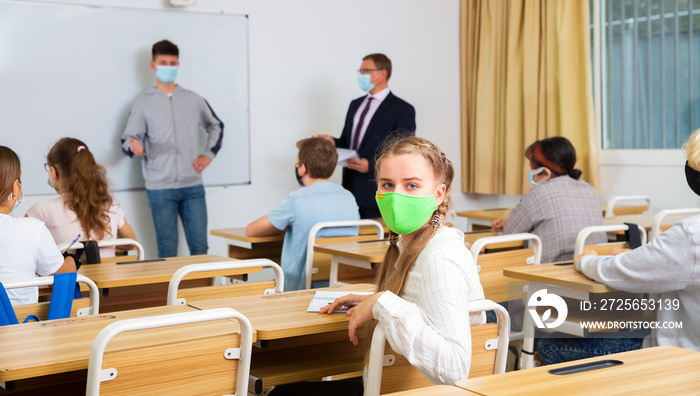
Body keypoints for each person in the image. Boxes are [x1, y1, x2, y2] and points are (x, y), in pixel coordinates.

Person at [275, 137, 483, 395]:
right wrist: (373, 300)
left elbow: (455, 368)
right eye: (387, 184)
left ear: (438, 194)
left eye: (412, 185)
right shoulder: (418, 246)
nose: (396, 196)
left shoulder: (439, 259)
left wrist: (383, 303)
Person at [538, 129, 700, 365]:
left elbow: (621, 272)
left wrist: (586, 260)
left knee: (551, 345)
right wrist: (642, 256)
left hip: (682, 357)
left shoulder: (691, 234)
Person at [121, 39, 223, 258]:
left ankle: (203, 292)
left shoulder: (193, 99)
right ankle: (170, 294)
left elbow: (216, 125)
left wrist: (208, 155)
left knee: (200, 249)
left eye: (172, 63)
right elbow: (127, 140)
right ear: (153, 65)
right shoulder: (143, 103)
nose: (168, 67)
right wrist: (134, 144)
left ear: (178, 64)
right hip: (160, 189)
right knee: (167, 251)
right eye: (163, 62)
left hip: (193, 186)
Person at [245, 138, 360, 291]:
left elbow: (251, 231)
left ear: (302, 168)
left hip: (301, 289)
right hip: (340, 284)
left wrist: (285, 226)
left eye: (297, 163)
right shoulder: (348, 197)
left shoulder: (297, 200)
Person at [318, 53, 416, 219]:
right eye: (360, 71)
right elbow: (349, 142)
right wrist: (332, 142)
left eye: (366, 71)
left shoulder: (402, 109)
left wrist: (370, 166)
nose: (361, 75)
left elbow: (403, 153)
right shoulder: (355, 105)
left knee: (374, 242)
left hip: (377, 191)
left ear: (383, 73)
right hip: (349, 190)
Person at [492, 137, 605, 263]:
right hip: (592, 265)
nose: (531, 174)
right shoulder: (590, 190)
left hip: (554, 272)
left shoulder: (538, 194)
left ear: (545, 173)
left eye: (532, 169)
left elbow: (509, 235)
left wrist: (508, 224)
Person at [27, 138, 137, 259]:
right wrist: (102, 246)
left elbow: (22, 248)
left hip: (73, 278)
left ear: (54, 172)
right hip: (108, 277)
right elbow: (131, 244)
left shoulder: (41, 210)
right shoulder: (110, 206)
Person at [0, 146, 76, 305]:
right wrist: (70, 259)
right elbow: (64, 276)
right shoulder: (32, 229)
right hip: (19, 326)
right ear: (16, 187)